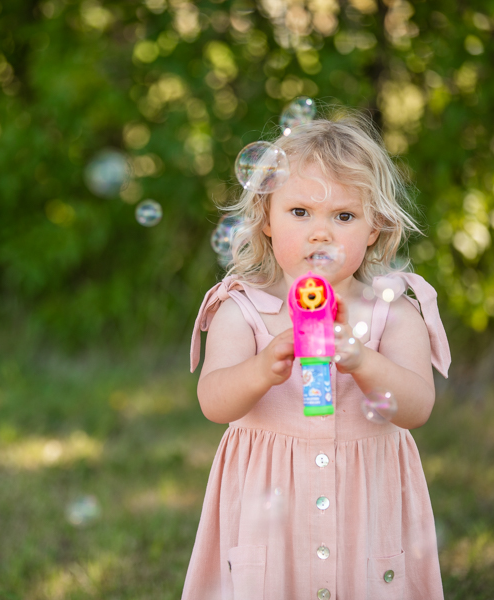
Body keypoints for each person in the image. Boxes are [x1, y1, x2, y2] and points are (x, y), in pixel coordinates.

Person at [183, 112, 451, 600]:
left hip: (365, 509)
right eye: (300, 212)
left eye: (344, 216)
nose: (321, 233)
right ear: (266, 218)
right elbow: (214, 402)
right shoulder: (244, 309)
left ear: (375, 228)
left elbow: (416, 408)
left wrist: (362, 360)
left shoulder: (394, 312)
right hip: (269, 511)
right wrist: (262, 368)